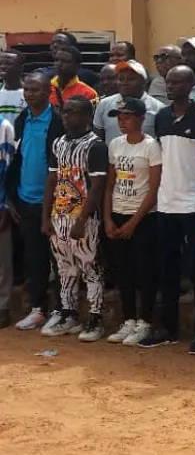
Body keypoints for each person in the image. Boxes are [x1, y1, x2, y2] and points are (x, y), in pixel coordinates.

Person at [137, 65, 195, 351]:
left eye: (177, 82)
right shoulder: (161, 117)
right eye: (168, 82)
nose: (170, 86)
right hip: (166, 203)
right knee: (167, 269)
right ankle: (168, 328)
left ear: (191, 85)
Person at [40, 95, 108, 342]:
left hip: (84, 218)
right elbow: (52, 181)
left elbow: (98, 186)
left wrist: (82, 219)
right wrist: (46, 216)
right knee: (64, 268)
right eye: (65, 112)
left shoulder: (96, 146)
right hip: (59, 216)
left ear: (88, 116)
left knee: (90, 267)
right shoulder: (58, 143)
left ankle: (95, 318)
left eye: (74, 112)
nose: (67, 116)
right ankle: (69, 314)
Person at [8, 73, 65, 331]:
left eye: (35, 90)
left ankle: (63, 310)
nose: (29, 94)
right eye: (26, 90)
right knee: (34, 258)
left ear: (48, 92)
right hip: (26, 201)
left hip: (56, 202)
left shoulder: (59, 121)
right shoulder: (22, 120)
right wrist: (12, 200)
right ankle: (38, 308)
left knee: (61, 261)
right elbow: (13, 160)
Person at [103, 98, 162, 345]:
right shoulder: (115, 144)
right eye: (119, 117)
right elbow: (110, 184)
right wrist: (108, 218)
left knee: (144, 271)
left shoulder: (151, 146)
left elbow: (154, 188)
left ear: (141, 118)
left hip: (144, 217)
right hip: (118, 212)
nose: (122, 121)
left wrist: (133, 222)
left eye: (127, 117)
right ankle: (128, 319)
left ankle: (144, 321)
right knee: (123, 271)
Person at [94, 60, 165, 145]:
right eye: (121, 79)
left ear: (144, 82)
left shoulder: (159, 109)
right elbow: (98, 137)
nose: (124, 83)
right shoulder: (104, 104)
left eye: (131, 79)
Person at [49, 46, 98, 110]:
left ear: (77, 66)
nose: (58, 64)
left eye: (65, 61)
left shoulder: (88, 93)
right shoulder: (45, 88)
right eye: (56, 60)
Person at [0, 110, 13, 327]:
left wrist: (5, 205)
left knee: (2, 259)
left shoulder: (4, 127)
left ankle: (2, 306)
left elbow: (8, 170)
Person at [0, 50, 26, 123]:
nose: (2, 67)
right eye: (0, 63)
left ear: (21, 68)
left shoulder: (31, 93)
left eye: (8, 63)